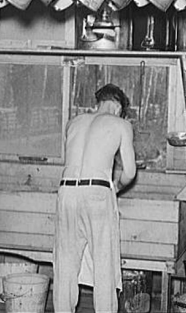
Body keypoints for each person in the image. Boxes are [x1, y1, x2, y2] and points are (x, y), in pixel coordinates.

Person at [53, 83, 137, 313]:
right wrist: (116, 187)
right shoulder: (121, 124)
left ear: (98, 103)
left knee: (65, 265)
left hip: (67, 191)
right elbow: (130, 172)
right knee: (103, 264)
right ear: (118, 107)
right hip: (97, 193)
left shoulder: (74, 123)